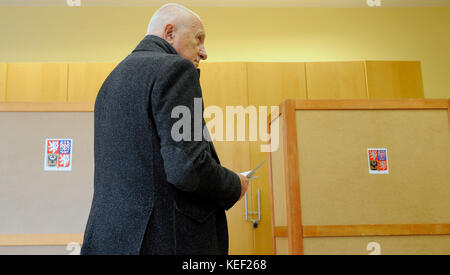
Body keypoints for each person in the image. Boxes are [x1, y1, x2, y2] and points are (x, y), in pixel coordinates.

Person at [81, 3, 248, 255]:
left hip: (107, 240)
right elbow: (188, 167)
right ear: (169, 33)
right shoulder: (176, 69)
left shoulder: (110, 82)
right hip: (164, 241)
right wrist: (235, 184)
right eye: (198, 39)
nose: (204, 53)